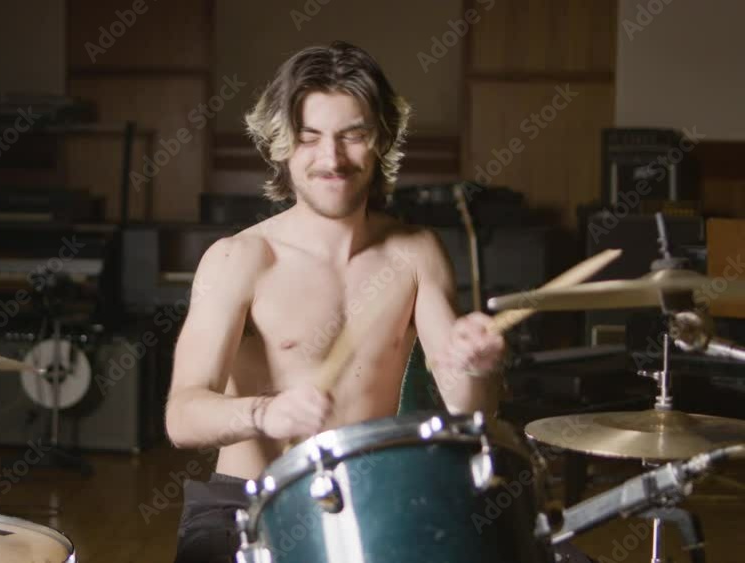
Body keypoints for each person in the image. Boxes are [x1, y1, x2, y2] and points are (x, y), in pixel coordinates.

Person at [165, 41, 585, 563]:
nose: (331, 158)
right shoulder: (240, 259)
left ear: (382, 138)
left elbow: (470, 407)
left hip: (373, 499)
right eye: (309, 137)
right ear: (281, 144)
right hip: (248, 503)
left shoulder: (415, 252)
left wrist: (475, 366)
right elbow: (182, 417)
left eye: (352, 135)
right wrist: (265, 412)